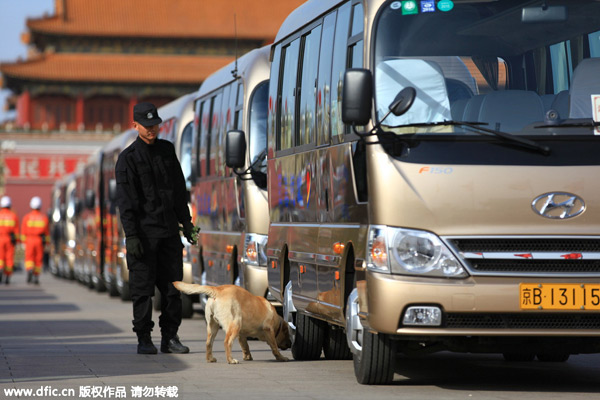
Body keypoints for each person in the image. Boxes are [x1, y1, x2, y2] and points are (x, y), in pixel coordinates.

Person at [115, 102, 198, 355]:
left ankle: (170, 338)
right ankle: (144, 339)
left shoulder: (167, 150)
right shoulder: (127, 159)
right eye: (147, 125)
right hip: (142, 237)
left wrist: (187, 224)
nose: (152, 129)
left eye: (155, 125)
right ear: (135, 126)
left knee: (173, 290)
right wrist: (131, 236)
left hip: (169, 234)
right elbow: (126, 203)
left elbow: (178, 192)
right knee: (142, 291)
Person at [21, 196, 49, 285]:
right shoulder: (43, 218)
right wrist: (46, 243)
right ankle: (36, 276)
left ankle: (29, 270)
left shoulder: (27, 217)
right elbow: (46, 232)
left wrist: (23, 242)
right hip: (39, 241)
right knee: (38, 258)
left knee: (29, 257)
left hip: (29, 240)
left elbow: (23, 231)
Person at [0, 196, 19, 284]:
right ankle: (7, 275)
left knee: (0, 257)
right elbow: (16, 230)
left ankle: (0, 269)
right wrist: (17, 241)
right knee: (9, 258)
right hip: (9, 240)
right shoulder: (13, 216)